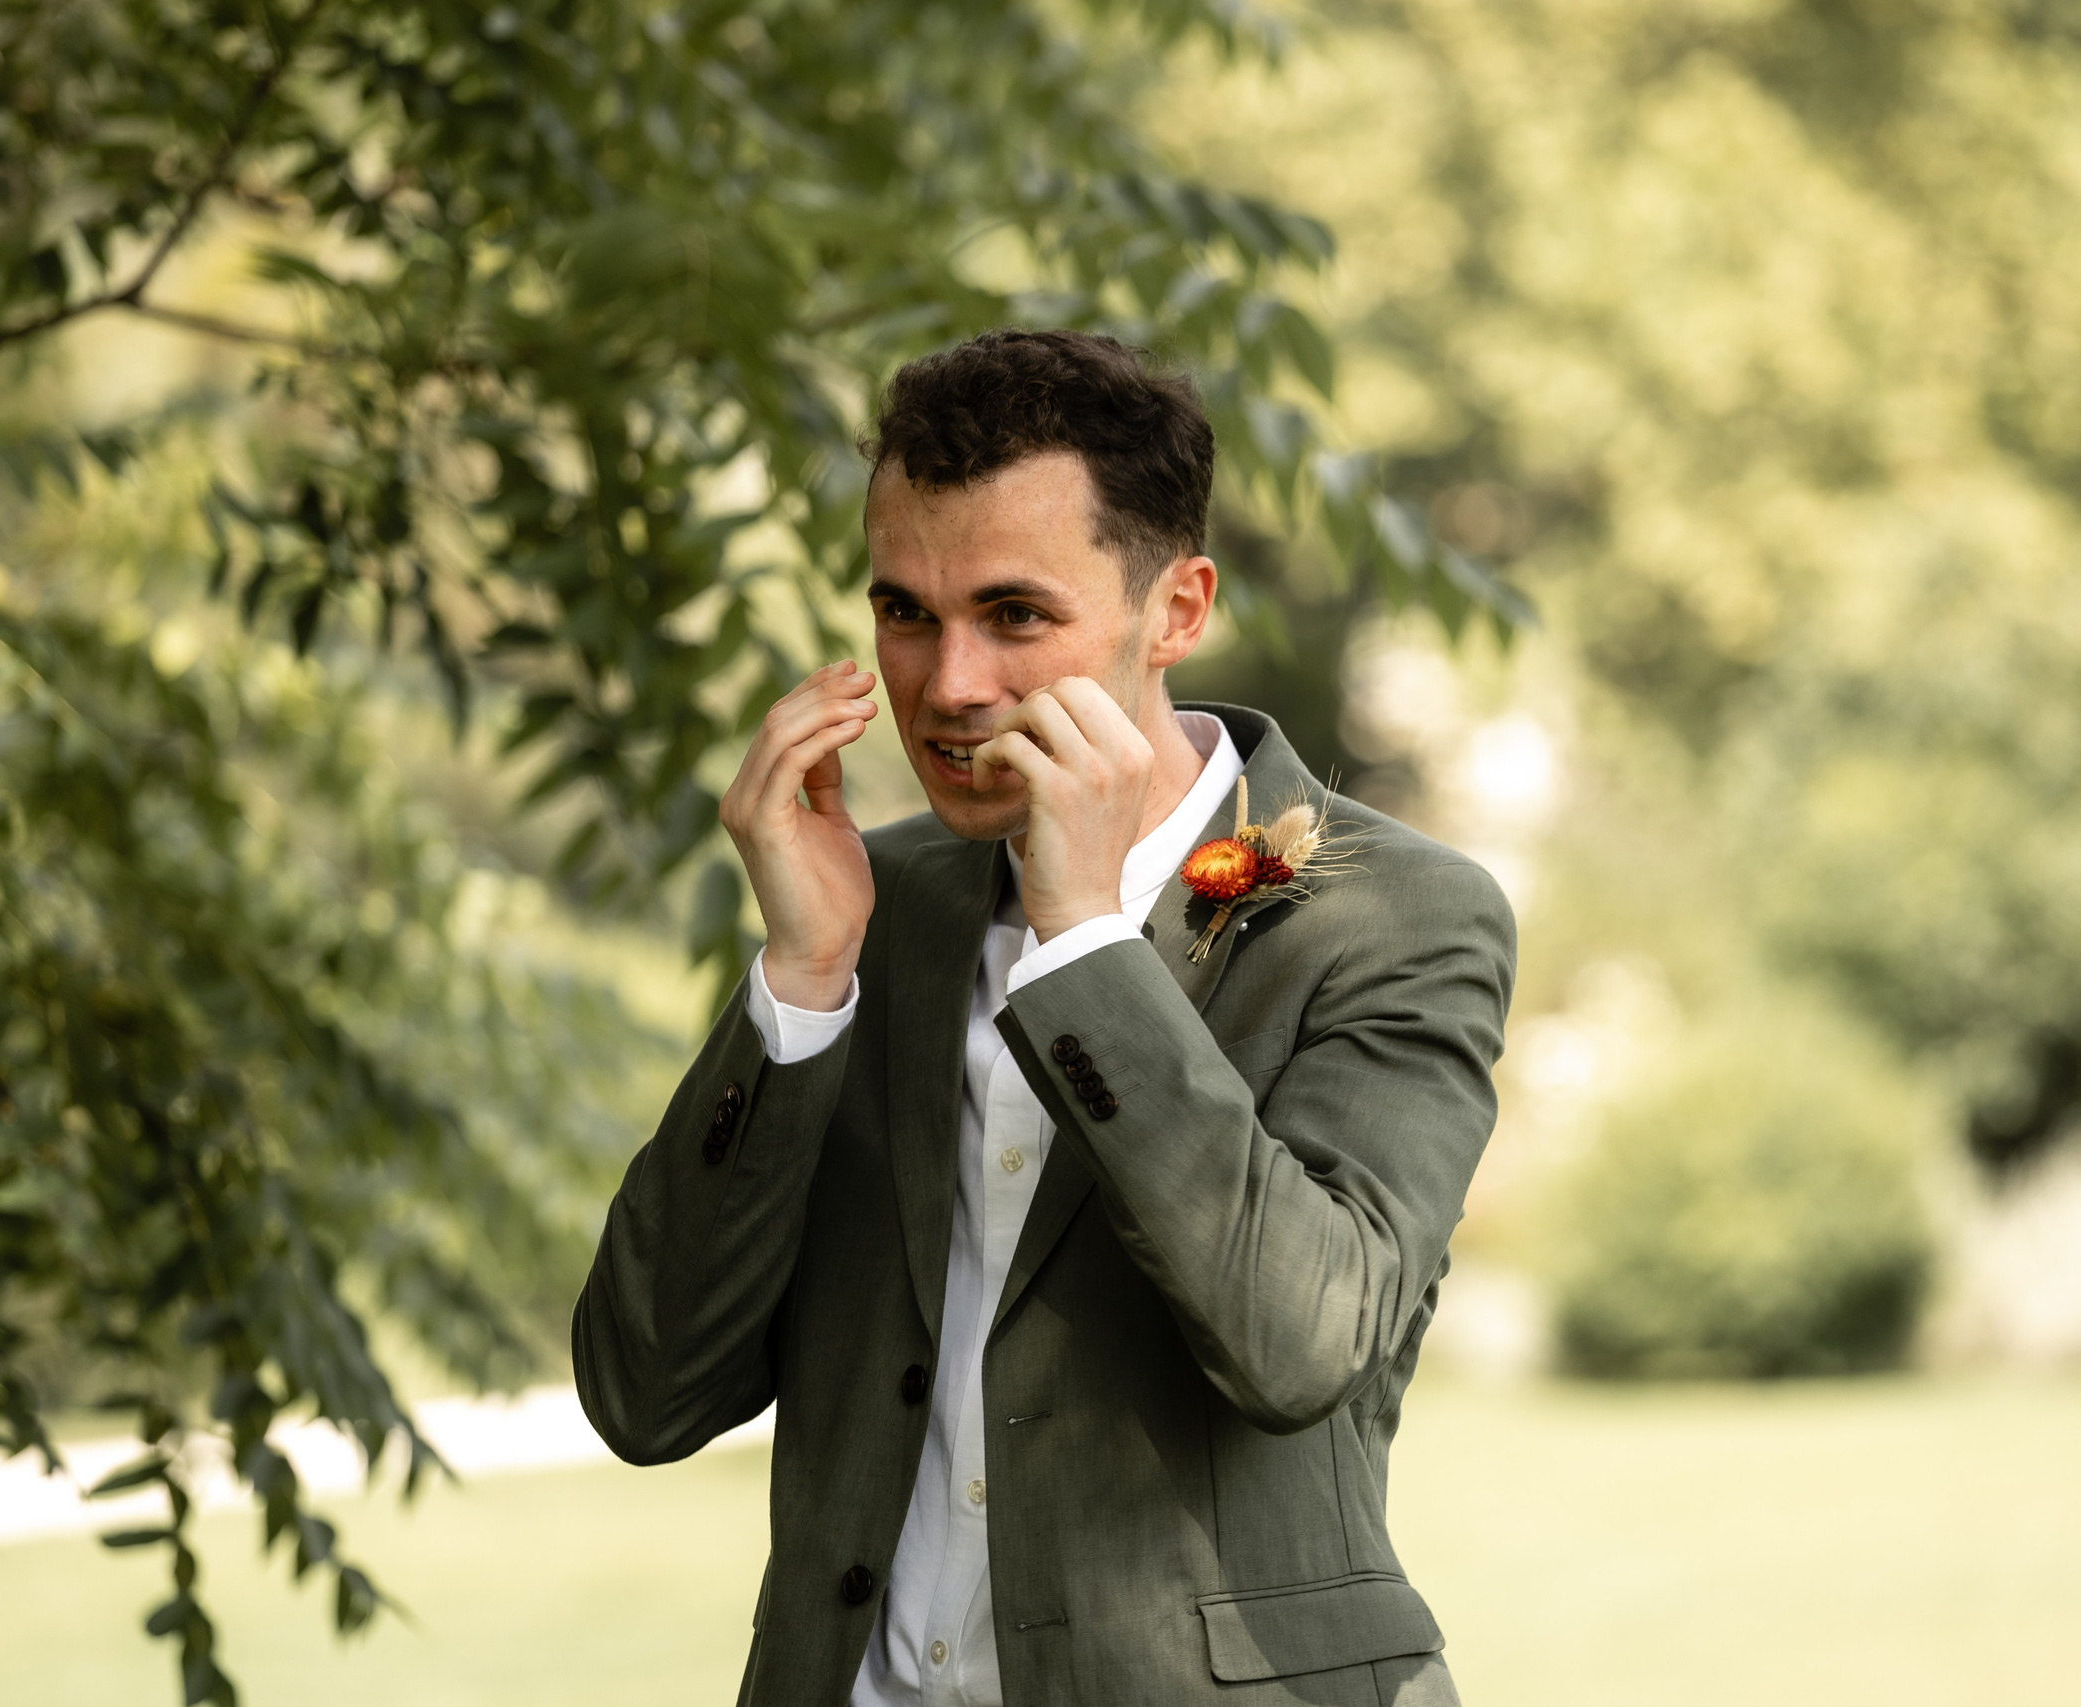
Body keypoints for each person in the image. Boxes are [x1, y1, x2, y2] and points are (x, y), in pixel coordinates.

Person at [572, 329, 1515, 1707]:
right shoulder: (861, 907)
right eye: (905, 612)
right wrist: (800, 984)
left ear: (1176, 611)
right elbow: (646, 1395)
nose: (948, 685)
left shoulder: (1396, 915)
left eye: (1015, 615)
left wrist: (1083, 950)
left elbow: (1300, 1339)